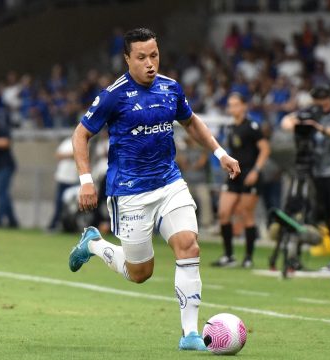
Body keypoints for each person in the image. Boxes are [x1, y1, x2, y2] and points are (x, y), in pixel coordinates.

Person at [68, 28, 240, 351]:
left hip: (170, 183)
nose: (150, 63)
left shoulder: (170, 89)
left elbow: (191, 123)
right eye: (142, 57)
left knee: (189, 246)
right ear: (127, 59)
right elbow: (80, 135)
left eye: (155, 55)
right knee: (140, 273)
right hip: (130, 193)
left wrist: (220, 153)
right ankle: (93, 244)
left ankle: (190, 334)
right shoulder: (113, 95)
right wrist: (86, 180)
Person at [281, 84, 330, 277]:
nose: (321, 105)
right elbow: (286, 122)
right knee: (328, 217)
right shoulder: (312, 112)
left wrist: (319, 127)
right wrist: (296, 123)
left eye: (324, 100)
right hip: (318, 171)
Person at [212, 93, 270, 268]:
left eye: (236, 104)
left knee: (246, 215)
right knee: (223, 213)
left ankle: (248, 257)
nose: (233, 108)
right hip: (234, 175)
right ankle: (228, 255)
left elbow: (265, 149)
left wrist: (256, 170)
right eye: (230, 105)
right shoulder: (230, 127)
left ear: (244, 106)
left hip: (249, 174)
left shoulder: (252, 126)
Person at [47, 137, 79, 231]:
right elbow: (58, 155)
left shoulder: (81, 142)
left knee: (71, 206)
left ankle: (69, 226)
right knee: (58, 203)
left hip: (73, 179)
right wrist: (70, 155)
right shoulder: (66, 142)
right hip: (62, 178)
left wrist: (68, 155)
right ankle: (54, 224)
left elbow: (77, 155)